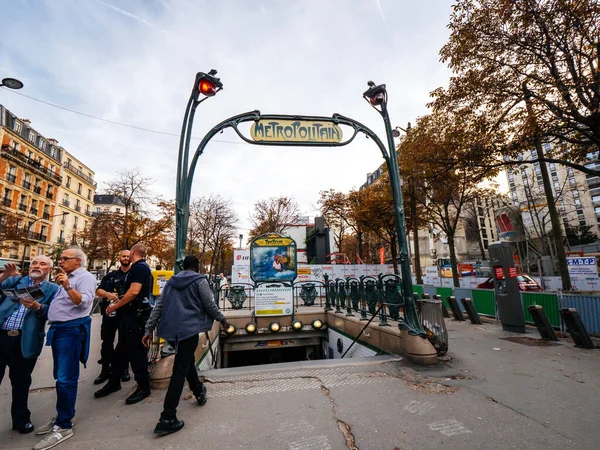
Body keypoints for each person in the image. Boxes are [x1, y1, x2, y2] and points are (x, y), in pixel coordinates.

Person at [143, 255, 229, 436]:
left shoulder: (171, 283)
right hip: (189, 331)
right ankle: (167, 417)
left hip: (172, 332)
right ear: (197, 267)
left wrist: (148, 329)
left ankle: (199, 391)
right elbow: (210, 305)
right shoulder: (200, 281)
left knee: (187, 361)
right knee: (180, 370)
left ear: (183, 267)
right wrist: (223, 319)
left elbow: (159, 307)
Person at [33, 247, 96, 450]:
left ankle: (64, 425)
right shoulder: (66, 277)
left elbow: (82, 303)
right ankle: (63, 416)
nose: (60, 261)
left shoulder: (83, 277)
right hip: (61, 331)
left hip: (71, 331)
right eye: (60, 258)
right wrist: (36, 307)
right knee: (61, 377)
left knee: (66, 379)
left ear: (78, 261)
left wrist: (68, 286)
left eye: (65, 258)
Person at [0, 257, 59, 435]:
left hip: (25, 340)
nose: (37, 266)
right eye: (35, 263)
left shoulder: (53, 289)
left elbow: (53, 312)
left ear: (49, 269)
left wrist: (37, 306)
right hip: (2, 336)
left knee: (21, 382)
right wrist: (4, 275)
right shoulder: (15, 280)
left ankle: (21, 419)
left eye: (42, 264)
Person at [94, 243, 153, 405]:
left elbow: (133, 292)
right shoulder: (139, 268)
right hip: (131, 315)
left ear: (133, 252)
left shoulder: (140, 268)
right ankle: (114, 381)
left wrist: (115, 305)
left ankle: (143, 386)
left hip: (136, 316)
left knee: (137, 351)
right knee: (120, 352)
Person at [93, 250, 131, 385]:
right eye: (123, 256)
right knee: (107, 341)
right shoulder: (110, 276)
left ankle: (124, 368)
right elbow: (98, 290)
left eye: (128, 256)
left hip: (126, 313)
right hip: (109, 313)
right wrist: (108, 294)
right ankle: (105, 369)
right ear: (119, 258)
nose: (126, 258)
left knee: (124, 341)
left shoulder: (133, 276)